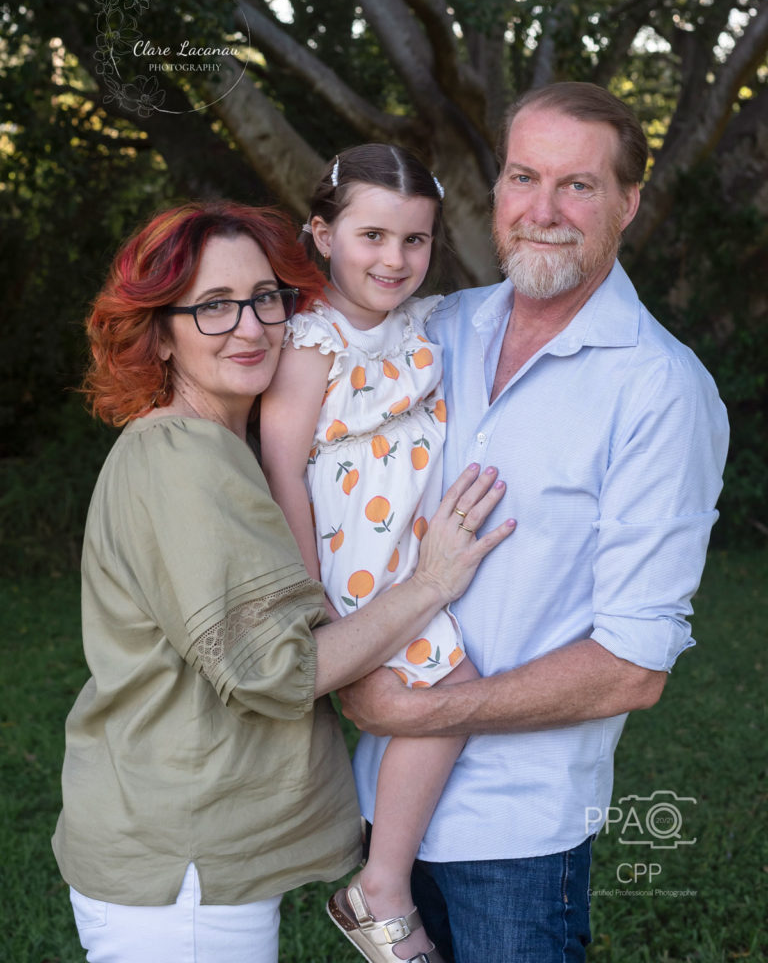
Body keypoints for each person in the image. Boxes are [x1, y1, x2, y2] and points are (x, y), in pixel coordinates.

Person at [51, 200, 515, 963]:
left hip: (196, 849)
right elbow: (277, 674)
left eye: (265, 298)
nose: (250, 326)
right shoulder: (183, 459)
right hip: (181, 869)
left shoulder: (229, 451)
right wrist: (429, 583)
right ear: (158, 334)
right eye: (212, 307)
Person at [340, 83, 730, 963]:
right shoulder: (434, 328)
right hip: (372, 805)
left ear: (628, 203)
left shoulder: (659, 390)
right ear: (497, 190)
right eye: (524, 177)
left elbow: (633, 666)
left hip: (515, 835)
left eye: (579, 186)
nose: (543, 211)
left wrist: (413, 709)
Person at [260, 145, 483, 963]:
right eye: (372, 236)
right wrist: (308, 590)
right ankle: (379, 885)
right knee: (451, 689)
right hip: (354, 563)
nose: (394, 259)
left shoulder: (421, 325)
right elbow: (282, 463)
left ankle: (380, 864)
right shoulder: (312, 340)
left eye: (415, 241)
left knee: (419, 695)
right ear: (322, 233)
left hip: (404, 550)